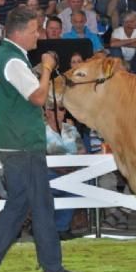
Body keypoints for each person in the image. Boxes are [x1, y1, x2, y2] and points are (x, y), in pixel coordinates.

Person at [0, 7, 88, 272]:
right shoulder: (12, 60)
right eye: (35, 30)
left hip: (13, 143)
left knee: (19, 206)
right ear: (19, 33)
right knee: (42, 206)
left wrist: (37, 71)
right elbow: (37, 96)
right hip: (22, 144)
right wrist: (45, 67)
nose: (39, 35)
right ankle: (53, 270)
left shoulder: (4, 57)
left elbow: (23, 90)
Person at [44, 99, 86, 240]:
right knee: (70, 186)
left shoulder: (71, 129)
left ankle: (58, 227)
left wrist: (73, 168)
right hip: (50, 173)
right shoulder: (39, 130)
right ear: (46, 112)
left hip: (73, 172)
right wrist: (62, 169)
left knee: (83, 186)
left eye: (61, 109)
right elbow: (40, 155)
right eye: (53, 109)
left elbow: (82, 151)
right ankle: (60, 228)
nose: (58, 112)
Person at [109, 11, 136, 76]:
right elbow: (112, 44)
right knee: (115, 49)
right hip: (122, 61)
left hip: (135, 62)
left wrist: (122, 43)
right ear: (126, 23)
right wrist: (135, 40)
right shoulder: (117, 31)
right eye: (134, 21)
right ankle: (117, 71)